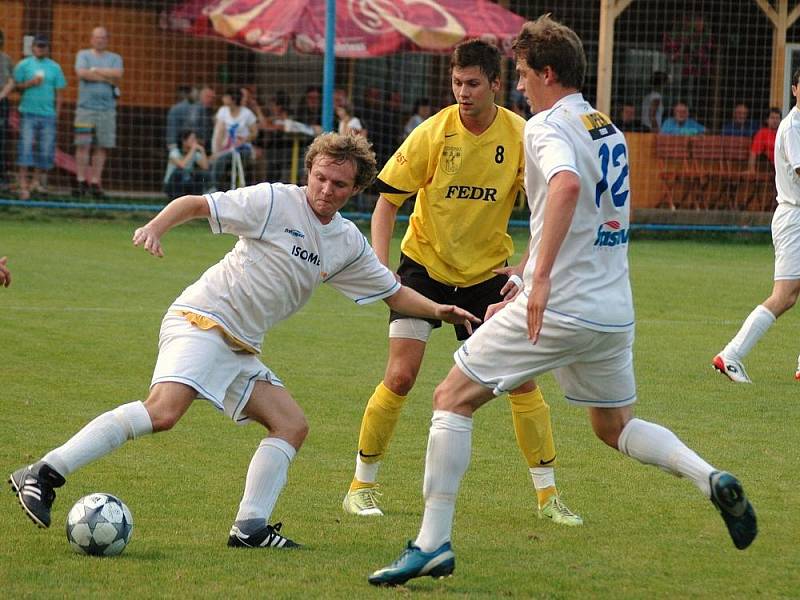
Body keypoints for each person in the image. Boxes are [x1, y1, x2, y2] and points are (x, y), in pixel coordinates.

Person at [369, 15, 756, 587]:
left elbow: (567, 187)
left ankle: (431, 544)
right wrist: (525, 273)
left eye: (524, 74)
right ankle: (710, 478)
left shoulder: (544, 127)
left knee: (451, 397)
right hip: (611, 309)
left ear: (547, 72)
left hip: (561, 307)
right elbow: (582, 212)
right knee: (615, 426)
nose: (519, 86)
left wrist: (538, 282)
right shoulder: (607, 128)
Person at [8, 132, 480, 549]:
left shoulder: (346, 243)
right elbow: (197, 204)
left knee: (291, 425)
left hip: (239, 345)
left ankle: (249, 527)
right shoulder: (275, 200)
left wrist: (438, 309)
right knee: (164, 411)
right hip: (202, 319)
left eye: (339, 185)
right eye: (319, 178)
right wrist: (155, 226)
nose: (325, 190)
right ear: (309, 171)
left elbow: (393, 291)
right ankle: (44, 473)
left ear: (356, 189)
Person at [342, 38, 582, 527]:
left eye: (473, 83)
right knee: (401, 376)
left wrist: (529, 266)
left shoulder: (523, 136)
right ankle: (360, 486)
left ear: (496, 84)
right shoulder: (433, 133)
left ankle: (549, 497)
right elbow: (387, 202)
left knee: (520, 380)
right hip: (424, 270)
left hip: (485, 276)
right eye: (456, 83)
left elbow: (547, 207)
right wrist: (383, 268)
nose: (463, 92)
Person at [713, 78, 800, 383]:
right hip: (794, 218)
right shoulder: (792, 127)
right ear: (794, 89)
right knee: (784, 296)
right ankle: (731, 354)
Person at [13, 35, 66, 201]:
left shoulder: (55, 67)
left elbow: (60, 93)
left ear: (47, 48)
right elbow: (15, 86)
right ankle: (23, 184)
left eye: (43, 46)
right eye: (38, 46)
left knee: (45, 150)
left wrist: (56, 113)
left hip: (48, 115)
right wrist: (30, 83)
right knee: (25, 148)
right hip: (27, 113)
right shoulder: (23, 65)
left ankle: (35, 182)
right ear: (33, 47)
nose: (40, 49)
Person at [73, 26, 124, 199]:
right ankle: (80, 181)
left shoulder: (115, 58)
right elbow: (82, 73)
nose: (99, 40)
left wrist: (94, 70)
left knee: (102, 146)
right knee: (83, 145)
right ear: (91, 39)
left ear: (107, 39)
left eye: (103, 37)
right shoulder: (83, 54)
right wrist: (107, 78)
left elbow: (118, 74)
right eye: (96, 37)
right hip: (85, 108)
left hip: (107, 110)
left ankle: (95, 182)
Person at [209, 87, 257, 191]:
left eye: (226, 96)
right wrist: (217, 150)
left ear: (233, 99)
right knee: (217, 159)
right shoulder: (223, 111)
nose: (223, 98)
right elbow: (219, 132)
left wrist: (244, 139)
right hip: (226, 147)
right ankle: (218, 187)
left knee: (220, 159)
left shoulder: (247, 113)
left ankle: (214, 188)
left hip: (242, 148)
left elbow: (255, 132)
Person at [163, 129, 210, 199]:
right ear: (184, 141)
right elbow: (182, 165)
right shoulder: (174, 152)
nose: (195, 141)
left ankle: (198, 198)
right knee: (179, 172)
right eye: (192, 139)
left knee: (200, 175)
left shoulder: (194, 153)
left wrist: (202, 150)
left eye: (195, 139)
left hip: (187, 183)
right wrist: (193, 149)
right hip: (172, 185)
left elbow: (205, 167)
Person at [0, 30, 15, 191]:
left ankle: (2, 178)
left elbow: (12, 81)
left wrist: (2, 95)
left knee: (2, 140)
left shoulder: (6, 59)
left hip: (2, 103)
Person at [748, 107, 781, 172]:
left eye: (777, 118)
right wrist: (751, 169)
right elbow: (754, 152)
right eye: (772, 118)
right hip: (769, 167)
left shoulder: (783, 133)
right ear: (767, 120)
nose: (775, 121)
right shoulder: (762, 133)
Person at [164, 85, 195, 151]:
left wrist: (172, 147)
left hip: (179, 144)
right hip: (193, 144)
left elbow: (172, 129)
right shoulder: (195, 107)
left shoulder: (175, 109)